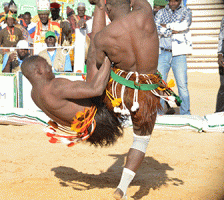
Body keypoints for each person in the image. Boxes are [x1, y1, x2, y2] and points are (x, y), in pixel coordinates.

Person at [86, 0, 180, 199]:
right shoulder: (145, 12)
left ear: (108, 9)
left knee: (97, 92)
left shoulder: (103, 37)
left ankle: (92, 123)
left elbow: (99, 63)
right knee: (141, 139)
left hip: (119, 93)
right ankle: (122, 188)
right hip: (146, 93)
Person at [22, 55, 123, 147]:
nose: (50, 66)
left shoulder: (34, 95)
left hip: (88, 133)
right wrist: (108, 58)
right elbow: (96, 89)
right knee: (95, 59)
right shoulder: (54, 86)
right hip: (102, 119)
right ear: (38, 71)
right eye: (46, 64)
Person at [154, 0, 192, 115]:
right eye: (170, 0)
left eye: (175, 0)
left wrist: (166, 27)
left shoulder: (186, 11)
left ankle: (185, 113)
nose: (172, 3)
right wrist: (173, 30)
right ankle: (159, 113)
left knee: (182, 85)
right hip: (163, 53)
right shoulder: (161, 13)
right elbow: (156, 28)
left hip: (179, 54)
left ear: (180, 0)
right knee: (159, 84)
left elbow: (184, 25)